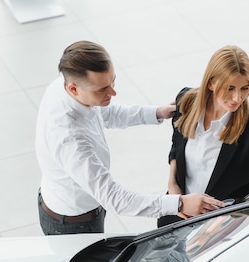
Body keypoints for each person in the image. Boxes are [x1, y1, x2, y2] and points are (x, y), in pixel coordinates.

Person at [36, 40, 223, 235]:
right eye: (102, 89)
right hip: (73, 222)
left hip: (80, 203)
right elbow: (113, 197)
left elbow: (103, 112)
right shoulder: (68, 137)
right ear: (73, 88)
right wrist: (179, 203)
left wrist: (156, 113)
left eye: (112, 82)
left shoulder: (67, 85)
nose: (113, 92)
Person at [158, 45, 249, 227]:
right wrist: (173, 189)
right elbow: (176, 144)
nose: (237, 98)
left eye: (244, 88)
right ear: (211, 83)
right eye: (230, 88)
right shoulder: (186, 100)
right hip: (176, 214)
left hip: (219, 229)